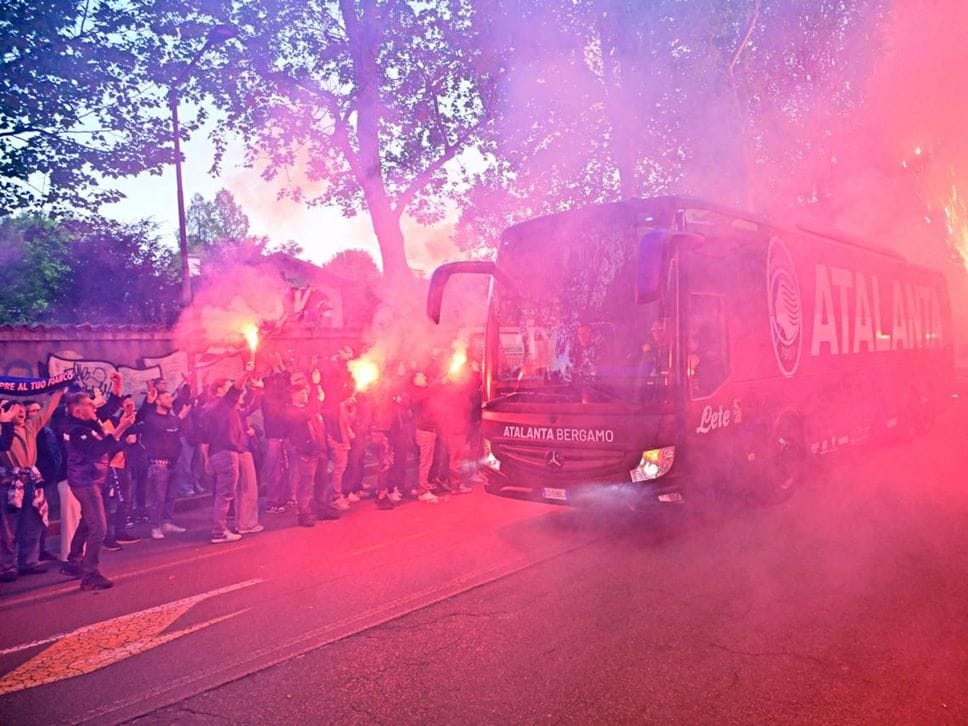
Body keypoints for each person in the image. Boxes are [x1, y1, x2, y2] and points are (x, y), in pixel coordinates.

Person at [61, 373, 136, 591]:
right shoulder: (76, 430)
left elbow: (107, 409)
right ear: (77, 411)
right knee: (99, 529)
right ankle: (90, 575)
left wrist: (117, 385)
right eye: (90, 405)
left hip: (93, 479)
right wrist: (121, 428)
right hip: (86, 482)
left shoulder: (87, 421)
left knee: (87, 522)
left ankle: (73, 562)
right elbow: (98, 449)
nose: (95, 407)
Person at [0, 388, 65, 582]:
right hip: (9, 484)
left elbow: (46, 410)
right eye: (11, 409)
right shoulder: (3, 432)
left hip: (31, 482)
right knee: (7, 528)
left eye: (20, 408)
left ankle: (28, 562)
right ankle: (6, 567)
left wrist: (58, 392)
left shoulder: (30, 427)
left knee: (33, 523)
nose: (18, 411)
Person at [200, 363, 254, 544]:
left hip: (216, 454)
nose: (233, 391)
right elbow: (236, 389)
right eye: (228, 386)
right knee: (225, 494)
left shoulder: (207, 407)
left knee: (221, 494)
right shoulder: (222, 404)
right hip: (227, 454)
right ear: (221, 390)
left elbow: (204, 439)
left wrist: (207, 459)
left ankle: (219, 529)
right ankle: (219, 531)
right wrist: (246, 373)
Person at [139, 388, 191, 540]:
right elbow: (157, 428)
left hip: (174, 462)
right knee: (159, 497)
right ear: (158, 401)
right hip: (158, 464)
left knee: (171, 495)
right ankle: (155, 527)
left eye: (170, 397)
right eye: (167, 397)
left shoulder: (173, 419)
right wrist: (179, 418)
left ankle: (167, 523)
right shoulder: (151, 419)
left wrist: (181, 418)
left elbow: (179, 434)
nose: (170, 400)